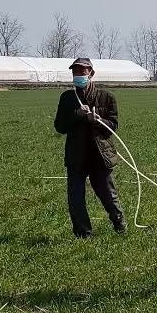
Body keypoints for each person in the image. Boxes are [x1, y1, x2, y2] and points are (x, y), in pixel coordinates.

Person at [53, 57, 126, 238]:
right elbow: (60, 127)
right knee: (75, 198)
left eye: (82, 71)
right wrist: (77, 115)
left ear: (91, 73)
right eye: (75, 71)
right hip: (76, 156)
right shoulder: (67, 98)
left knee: (108, 195)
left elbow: (113, 126)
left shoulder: (106, 97)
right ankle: (84, 234)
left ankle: (119, 224)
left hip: (100, 155)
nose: (78, 75)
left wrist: (99, 121)